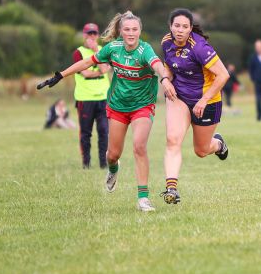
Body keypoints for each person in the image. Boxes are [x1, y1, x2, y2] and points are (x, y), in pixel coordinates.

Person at [37, 11, 177, 212]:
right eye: (127, 29)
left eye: (134, 30)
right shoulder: (113, 49)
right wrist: (61, 75)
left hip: (142, 106)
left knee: (139, 147)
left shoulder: (145, 50)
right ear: (121, 31)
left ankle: (143, 198)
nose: (131, 33)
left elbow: (157, 65)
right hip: (118, 106)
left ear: (140, 31)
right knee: (112, 155)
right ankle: (113, 169)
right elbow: (87, 62)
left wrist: (164, 79)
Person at [160, 8, 230, 205]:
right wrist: (165, 79)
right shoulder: (166, 41)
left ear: (190, 28)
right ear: (170, 26)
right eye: (176, 26)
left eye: (184, 26)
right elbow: (169, 65)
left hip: (206, 101)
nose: (180, 30)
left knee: (201, 151)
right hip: (179, 97)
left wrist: (203, 100)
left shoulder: (200, 48)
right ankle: (171, 188)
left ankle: (218, 145)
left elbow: (223, 75)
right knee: (173, 140)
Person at [74, 23, 110, 169]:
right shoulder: (78, 53)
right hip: (85, 98)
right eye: (89, 34)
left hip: (103, 98)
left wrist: (96, 51)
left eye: (94, 34)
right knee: (85, 133)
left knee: (103, 132)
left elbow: (105, 69)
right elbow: (85, 73)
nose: (92, 37)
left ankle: (103, 163)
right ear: (84, 35)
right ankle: (86, 163)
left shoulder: (102, 50)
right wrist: (100, 72)